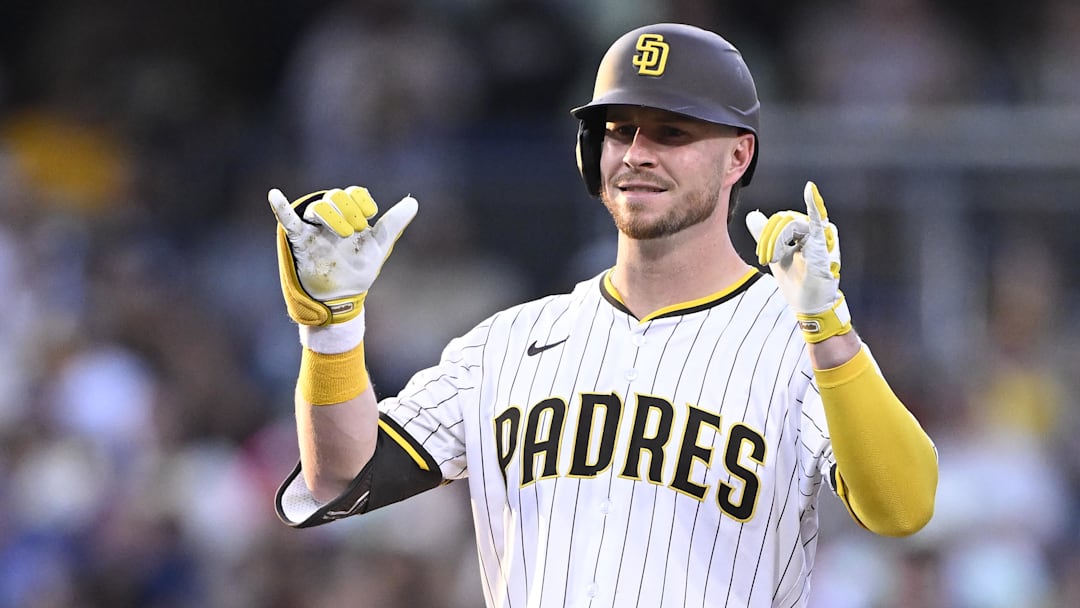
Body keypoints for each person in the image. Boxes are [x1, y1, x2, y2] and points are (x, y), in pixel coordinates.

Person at [268, 22, 938, 607]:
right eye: (620, 131)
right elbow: (339, 479)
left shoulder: (797, 340)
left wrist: (828, 330)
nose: (638, 153)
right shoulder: (508, 342)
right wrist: (331, 331)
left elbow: (903, 508)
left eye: (673, 132)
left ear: (739, 154)